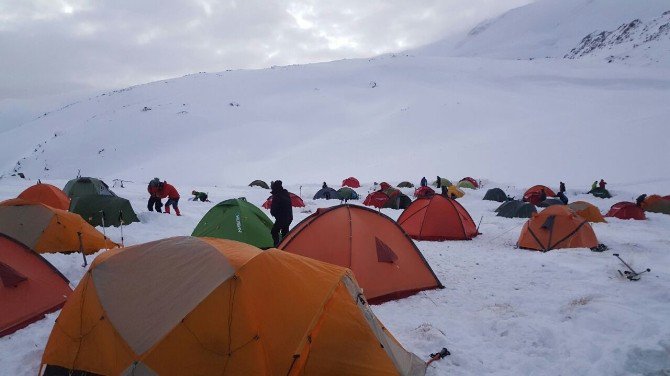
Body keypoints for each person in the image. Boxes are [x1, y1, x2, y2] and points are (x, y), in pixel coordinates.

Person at [270, 180, 293, 246]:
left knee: (274, 231)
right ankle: (285, 247)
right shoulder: (285, 193)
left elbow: (274, 210)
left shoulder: (277, 196)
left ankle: (277, 246)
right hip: (289, 218)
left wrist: (274, 213)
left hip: (282, 219)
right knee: (285, 233)